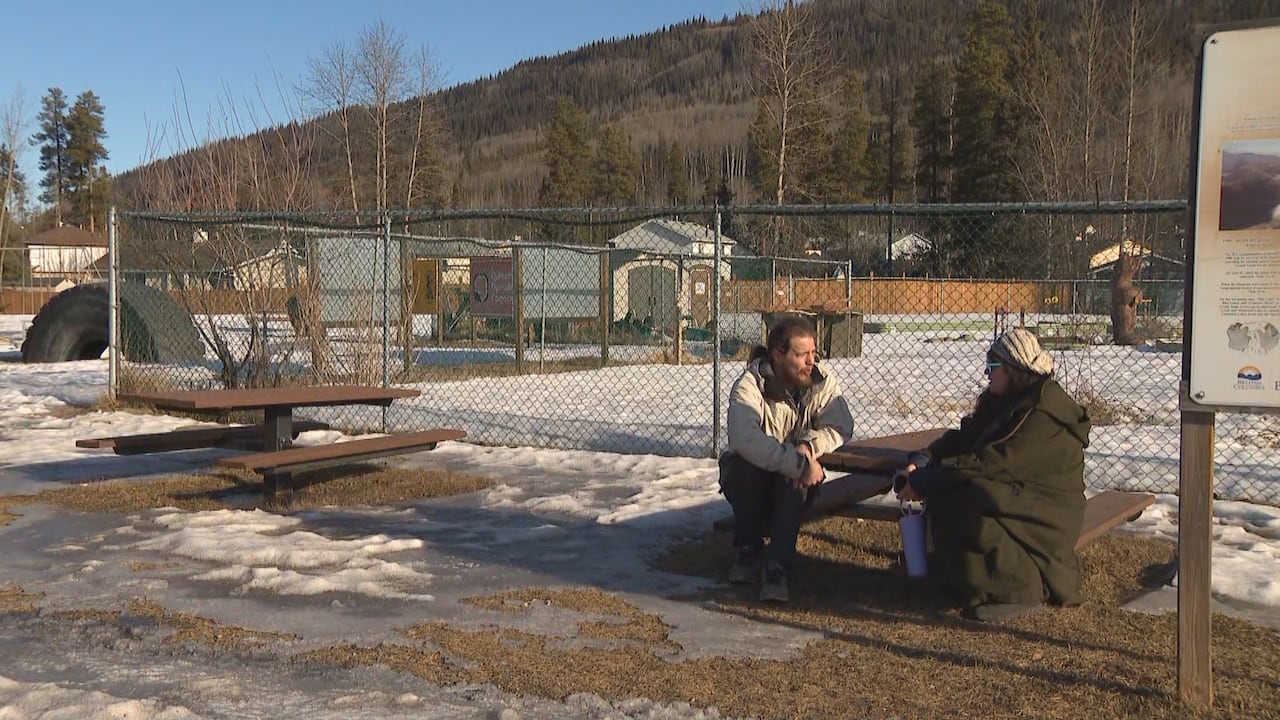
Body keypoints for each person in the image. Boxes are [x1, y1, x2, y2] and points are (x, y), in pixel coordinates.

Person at [895, 327, 1091, 622]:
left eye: (993, 367)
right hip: (1019, 497)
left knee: (967, 497)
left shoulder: (1042, 417)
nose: (987, 374)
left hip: (1048, 514)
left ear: (1015, 370)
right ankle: (978, 585)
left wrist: (925, 481)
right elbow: (966, 438)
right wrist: (926, 459)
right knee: (959, 492)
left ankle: (1017, 591)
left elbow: (990, 463)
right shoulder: (1009, 403)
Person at [720, 315, 854, 603]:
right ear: (778, 355)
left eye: (813, 353)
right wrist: (797, 463)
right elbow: (745, 439)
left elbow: (841, 426)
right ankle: (748, 551)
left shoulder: (821, 381)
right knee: (742, 467)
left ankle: (777, 569)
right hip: (753, 479)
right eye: (801, 354)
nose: (810, 361)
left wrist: (808, 446)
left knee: (792, 481)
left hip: (794, 482)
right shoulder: (750, 385)